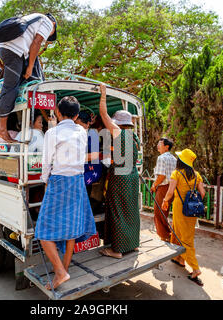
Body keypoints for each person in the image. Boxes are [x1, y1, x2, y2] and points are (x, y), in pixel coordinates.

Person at [35, 96, 96, 290]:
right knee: (71, 229)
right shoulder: (82, 131)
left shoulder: (52, 133)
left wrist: (45, 180)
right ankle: (63, 269)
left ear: (58, 113)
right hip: (77, 181)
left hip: (59, 181)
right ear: (77, 115)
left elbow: (46, 162)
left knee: (43, 231)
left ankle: (60, 272)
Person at [0, 13, 57, 143]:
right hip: (14, 50)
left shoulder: (35, 18)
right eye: (51, 34)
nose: (48, 36)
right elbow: (37, 42)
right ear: (54, 25)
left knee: (16, 84)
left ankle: (3, 126)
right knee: (10, 87)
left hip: (8, 48)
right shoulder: (47, 22)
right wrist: (30, 67)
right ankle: (1, 129)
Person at [98, 84, 141, 259]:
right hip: (132, 177)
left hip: (120, 178)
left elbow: (103, 115)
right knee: (131, 211)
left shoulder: (117, 132)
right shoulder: (134, 137)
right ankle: (132, 244)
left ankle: (116, 250)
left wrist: (103, 94)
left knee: (117, 212)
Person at [161, 149, 206, 286]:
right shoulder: (197, 175)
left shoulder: (177, 173)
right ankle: (179, 259)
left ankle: (195, 269)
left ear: (181, 161)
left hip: (180, 208)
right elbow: (202, 193)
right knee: (178, 231)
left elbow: (170, 192)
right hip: (192, 210)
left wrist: (165, 201)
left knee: (185, 239)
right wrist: (192, 201)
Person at [150, 138, 177, 242]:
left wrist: (154, 185)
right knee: (165, 211)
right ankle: (168, 234)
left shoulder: (161, 158)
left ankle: (165, 235)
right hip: (171, 187)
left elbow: (161, 176)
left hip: (163, 187)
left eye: (160, 144)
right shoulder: (174, 159)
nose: (157, 145)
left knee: (159, 212)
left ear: (167, 147)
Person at [75, 111, 102, 194]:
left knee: (79, 183)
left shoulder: (92, 134)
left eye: (78, 125)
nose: (76, 127)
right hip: (80, 168)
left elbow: (94, 156)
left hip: (92, 169)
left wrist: (75, 158)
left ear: (87, 124)